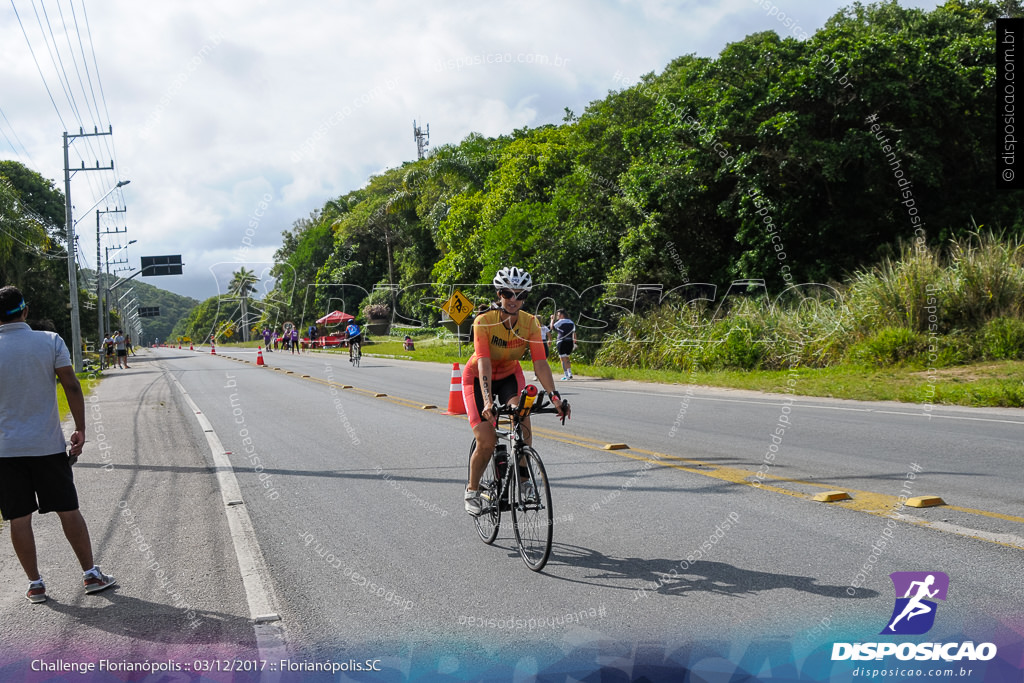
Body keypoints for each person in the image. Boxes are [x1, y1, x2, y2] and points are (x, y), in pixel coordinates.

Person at [0, 286, 117, 603]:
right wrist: (80, 428)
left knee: (18, 518)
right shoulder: (49, 341)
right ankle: (91, 575)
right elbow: (71, 385)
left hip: (6, 450)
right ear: (25, 310)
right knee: (68, 510)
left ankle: (35, 584)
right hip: (47, 446)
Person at [463, 267, 568, 516]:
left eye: (520, 296)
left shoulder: (530, 323)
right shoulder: (484, 322)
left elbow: (540, 363)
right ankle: (472, 490)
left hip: (510, 375)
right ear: (499, 294)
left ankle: (524, 482)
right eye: (508, 293)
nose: (514, 300)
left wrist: (554, 397)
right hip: (478, 378)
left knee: (522, 419)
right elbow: (483, 362)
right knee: (487, 442)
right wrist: (488, 401)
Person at [550, 309, 577, 380]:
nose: (557, 317)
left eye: (558, 315)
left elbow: (552, 327)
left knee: (562, 359)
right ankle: (570, 373)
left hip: (561, 341)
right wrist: (574, 343)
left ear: (562, 315)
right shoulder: (571, 322)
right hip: (570, 341)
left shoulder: (561, 321)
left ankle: (566, 375)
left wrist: (552, 319)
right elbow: (574, 332)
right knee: (567, 358)